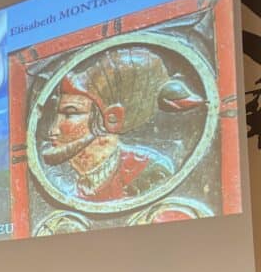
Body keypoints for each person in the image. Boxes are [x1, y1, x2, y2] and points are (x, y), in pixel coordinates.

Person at [39, 46, 204, 202]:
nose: (52, 131)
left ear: (111, 118)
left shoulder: (148, 173)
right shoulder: (76, 185)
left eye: (70, 113)